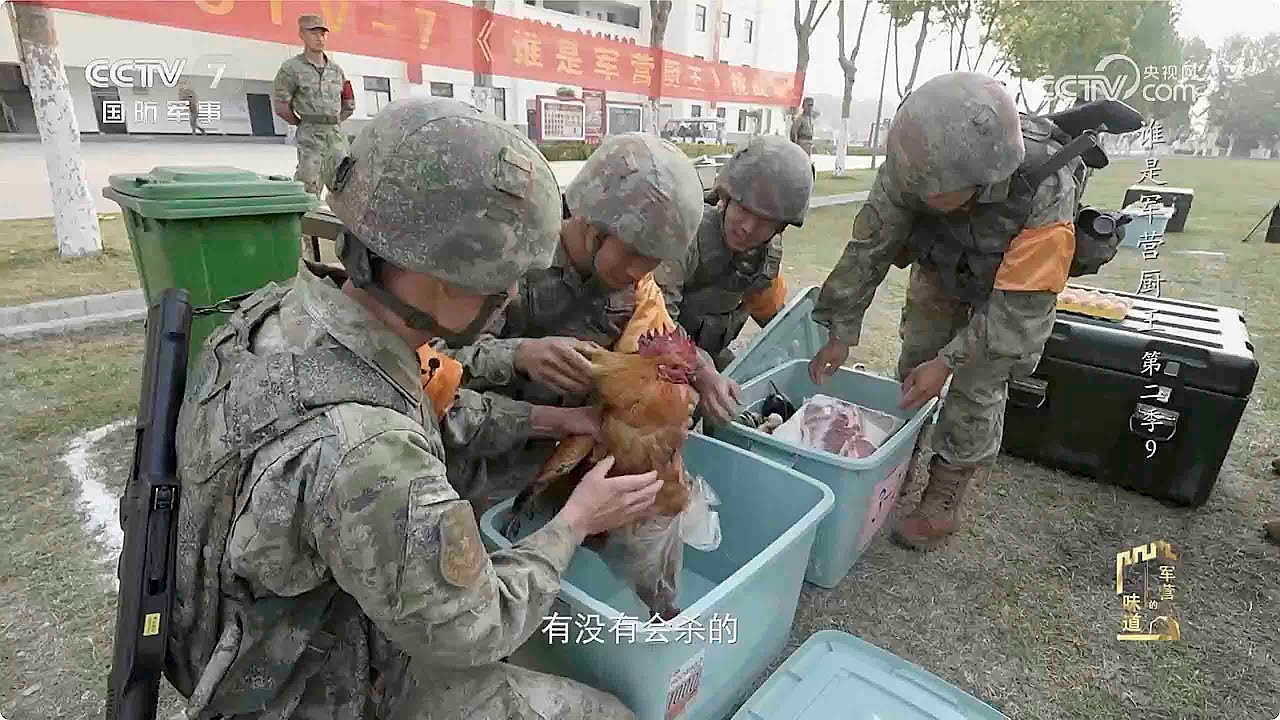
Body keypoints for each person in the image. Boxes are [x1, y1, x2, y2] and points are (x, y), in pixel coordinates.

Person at [166, 97, 655, 720]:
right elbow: (475, 626)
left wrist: (546, 420)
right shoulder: (370, 452)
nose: (507, 299)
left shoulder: (273, 315)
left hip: (235, 634)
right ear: (448, 278)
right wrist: (576, 523)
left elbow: (423, 403)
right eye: (501, 282)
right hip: (310, 686)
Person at [807, 71, 1083, 552]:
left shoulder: (1048, 187)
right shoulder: (915, 163)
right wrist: (841, 329)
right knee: (915, 362)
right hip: (941, 268)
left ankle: (945, 495)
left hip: (1009, 287)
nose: (918, 195)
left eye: (933, 191)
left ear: (982, 177)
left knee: (979, 384)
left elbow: (1018, 314)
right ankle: (897, 458)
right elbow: (868, 249)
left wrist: (951, 363)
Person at [441, 131, 744, 517]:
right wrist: (519, 354)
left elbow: (662, 337)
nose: (640, 273)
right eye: (635, 256)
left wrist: (703, 372)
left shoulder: (635, 288)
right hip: (465, 467)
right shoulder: (511, 259)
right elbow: (431, 364)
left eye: (653, 262)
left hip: (549, 473)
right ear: (595, 227)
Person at [657, 134, 813, 379]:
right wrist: (701, 370)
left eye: (765, 221)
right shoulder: (684, 237)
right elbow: (655, 325)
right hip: (659, 362)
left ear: (779, 228)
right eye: (743, 209)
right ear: (724, 198)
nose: (747, 228)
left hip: (709, 357)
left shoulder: (763, 258)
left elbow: (775, 322)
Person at [273, 14, 355, 198]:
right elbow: (281, 106)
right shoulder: (291, 69)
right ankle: (306, 224)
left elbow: (349, 103)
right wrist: (302, 123)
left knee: (343, 183)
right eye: (314, 33)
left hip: (335, 135)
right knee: (309, 184)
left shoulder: (336, 70)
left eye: (323, 34)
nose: (320, 38)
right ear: (301, 35)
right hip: (310, 134)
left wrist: (334, 121)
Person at [789, 96, 817, 178]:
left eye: (812, 105)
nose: (810, 108)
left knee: (807, 162)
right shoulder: (800, 119)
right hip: (802, 142)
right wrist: (796, 145)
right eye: (808, 105)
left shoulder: (810, 119)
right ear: (803, 106)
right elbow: (794, 132)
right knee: (801, 162)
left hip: (809, 143)